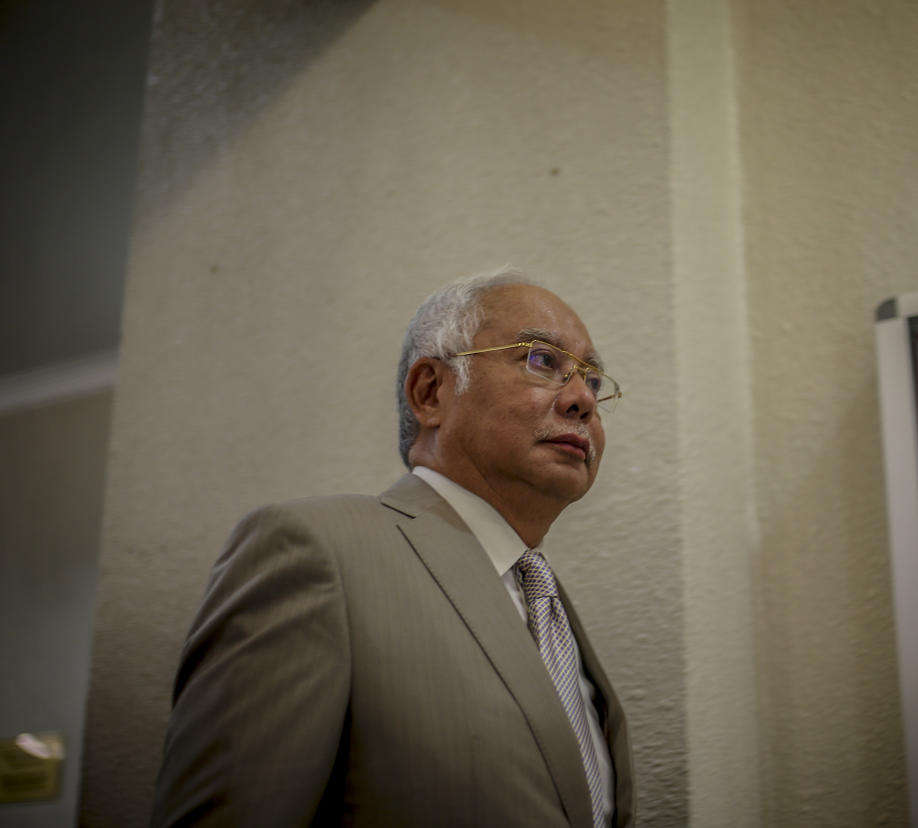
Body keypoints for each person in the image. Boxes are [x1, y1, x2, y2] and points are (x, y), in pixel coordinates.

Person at [149, 268, 634, 827]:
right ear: (431, 392)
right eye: (542, 360)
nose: (582, 401)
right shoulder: (314, 552)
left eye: (593, 380)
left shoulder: (546, 601)